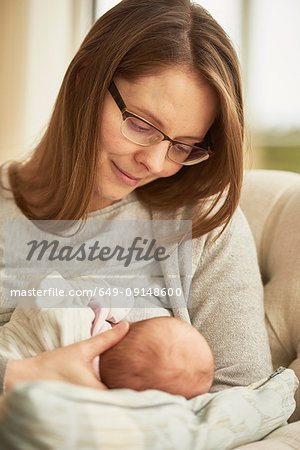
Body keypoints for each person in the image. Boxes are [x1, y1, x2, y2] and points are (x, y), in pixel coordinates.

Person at [0, 0, 272, 396]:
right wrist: (18, 377)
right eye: (142, 125)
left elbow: (245, 400)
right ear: (85, 79)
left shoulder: (201, 223)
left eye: (183, 146)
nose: (156, 163)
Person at [0, 302, 215, 399]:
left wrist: (113, 305)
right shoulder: (83, 403)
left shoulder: (84, 318)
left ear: (122, 329)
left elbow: (45, 291)